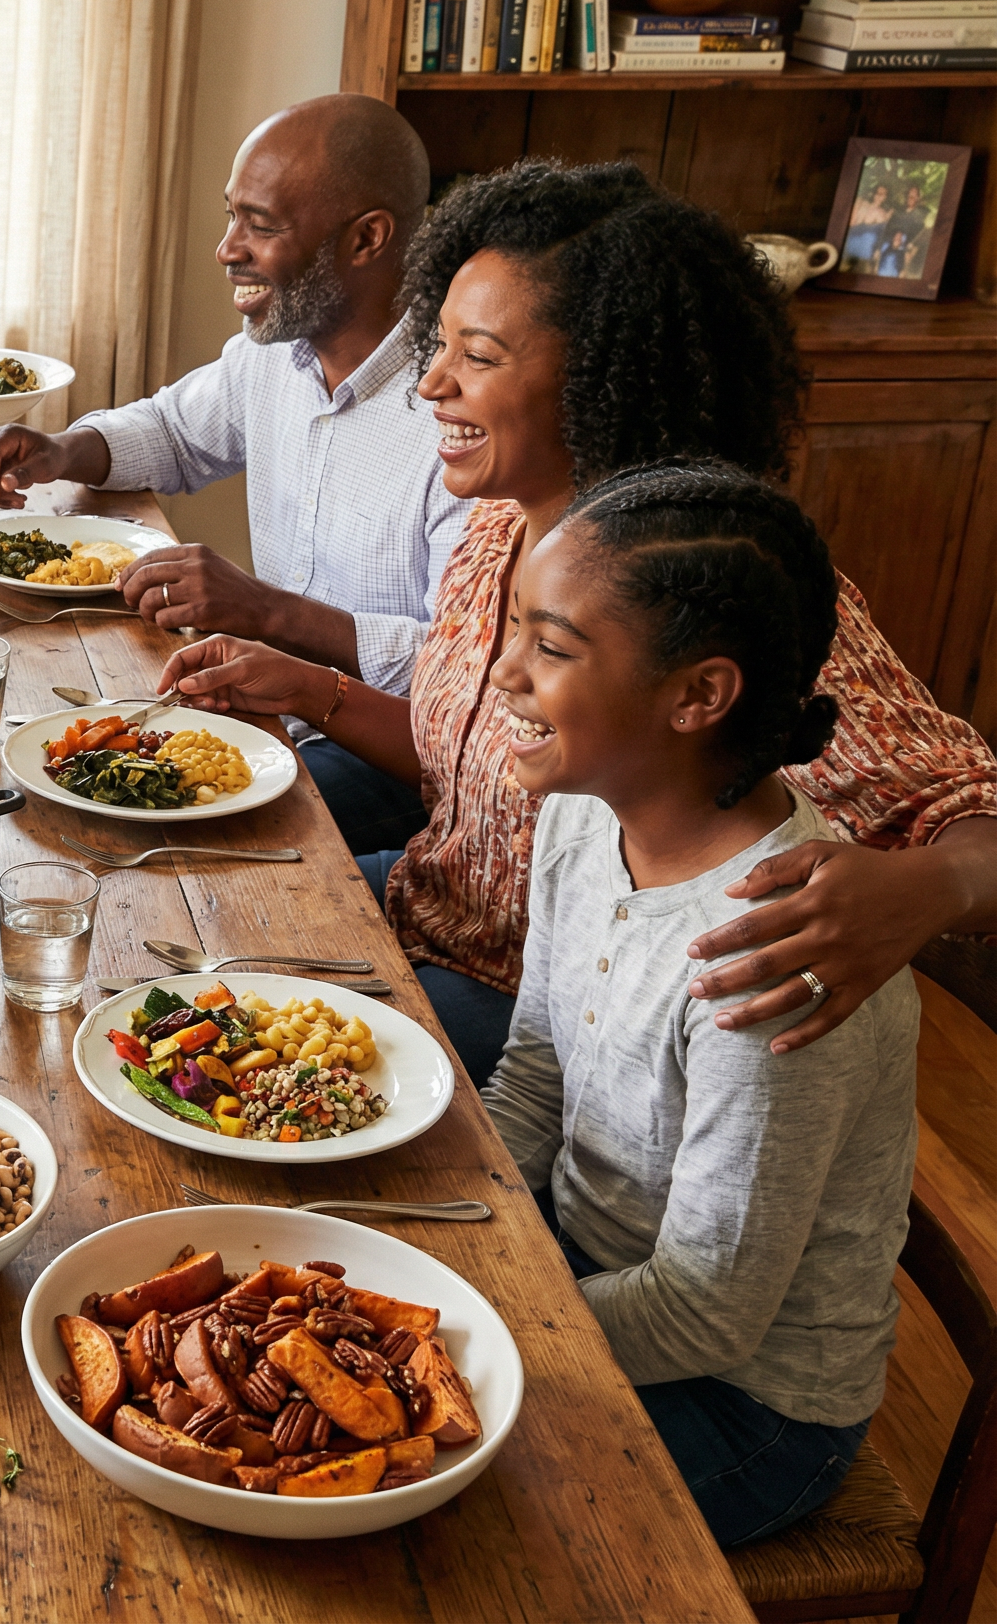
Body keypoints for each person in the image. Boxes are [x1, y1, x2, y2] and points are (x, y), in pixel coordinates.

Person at [154, 160, 997, 1083]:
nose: (430, 384)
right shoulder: (497, 524)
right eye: (438, 345)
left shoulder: (715, 590)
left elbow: (968, 813)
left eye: (477, 357)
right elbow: (475, 760)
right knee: (166, 924)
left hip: (544, 1016)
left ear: (603, 377)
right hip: (428, 905)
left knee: (212, 1056)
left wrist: (926, 888)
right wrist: (316, 690)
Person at [481, 460, 913, 1549]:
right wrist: (471, 1246)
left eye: (552, 647)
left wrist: (465, 1327)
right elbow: (532, 1071)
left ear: (696, 695)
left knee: (419, 1510)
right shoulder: (589, 809)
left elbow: (705, 1307)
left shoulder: (775, 947)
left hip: (743, 1403)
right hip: (586, 1277)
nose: (502, 672)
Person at [0, 94, 469, 854]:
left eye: (260, 225)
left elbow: (454, 670)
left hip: (393, 751)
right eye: (231, 215)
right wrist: (64, 449)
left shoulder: (459, 412)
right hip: (269, 708)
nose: (226, 247)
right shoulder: (273, 354)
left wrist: (270, 612)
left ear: (367, 238)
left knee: (140, 837)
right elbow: (171, 430)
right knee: (52, 778)